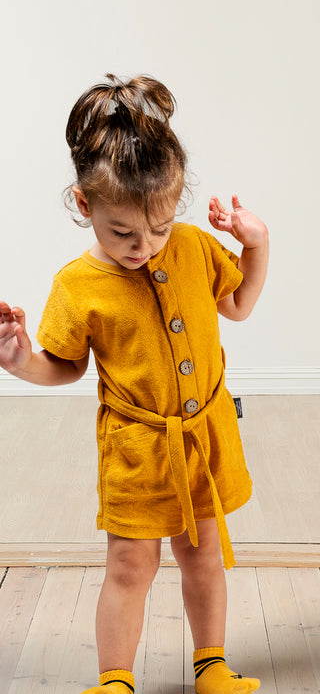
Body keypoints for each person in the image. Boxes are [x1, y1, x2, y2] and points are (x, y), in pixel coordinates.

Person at [0, 74, 268, 694]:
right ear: (84, 205)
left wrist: (257, 248)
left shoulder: (197, 248)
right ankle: (115, 680)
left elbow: (239, 306)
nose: (143, 246)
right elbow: (64, 364)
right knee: (130, 563)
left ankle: (212, 666)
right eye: (123, 232)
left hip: (201, 440)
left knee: (202, 554)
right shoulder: (78, 286)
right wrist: (19, 361)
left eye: (160, 227)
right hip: (136, 450)